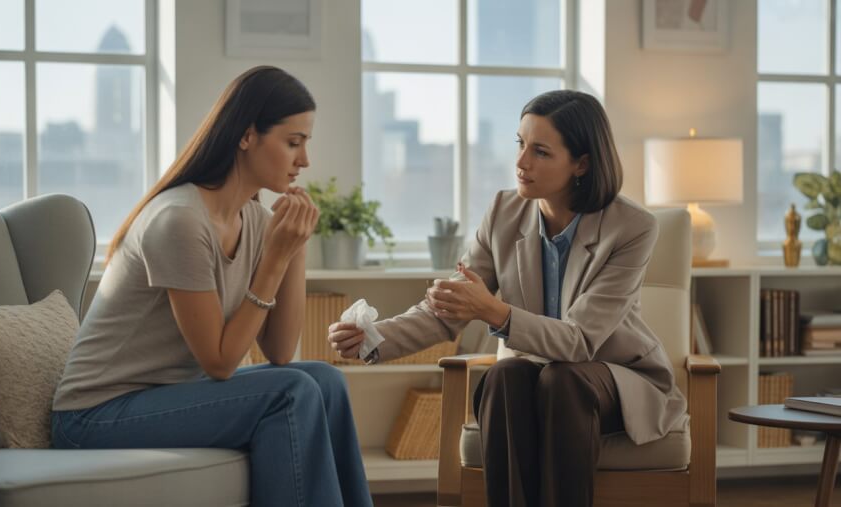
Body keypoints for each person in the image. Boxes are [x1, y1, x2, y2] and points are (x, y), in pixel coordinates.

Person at [328, 90, 687, 507]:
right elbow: (446, 309)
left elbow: (579, 343)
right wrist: (371, 337)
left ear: (582, 164)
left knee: (563, 380)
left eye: (540, 151)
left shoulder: (632, 227)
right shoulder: (503, 211)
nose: (521, 162)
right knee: (504, 376)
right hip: (536, 373)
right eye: (520, 144)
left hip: (614, 377)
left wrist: (492, 310)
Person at [53, 66, 373, 507]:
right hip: (95, 415)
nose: (305, 160)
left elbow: (281, 351)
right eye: (293, 142)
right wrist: (277, 256)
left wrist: (293, 247)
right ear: (246, 136)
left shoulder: (256, 221)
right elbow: (220, 362)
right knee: (291, 391)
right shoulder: (179, 220)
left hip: (169, 397)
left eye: (306, 144)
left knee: (323, 379)